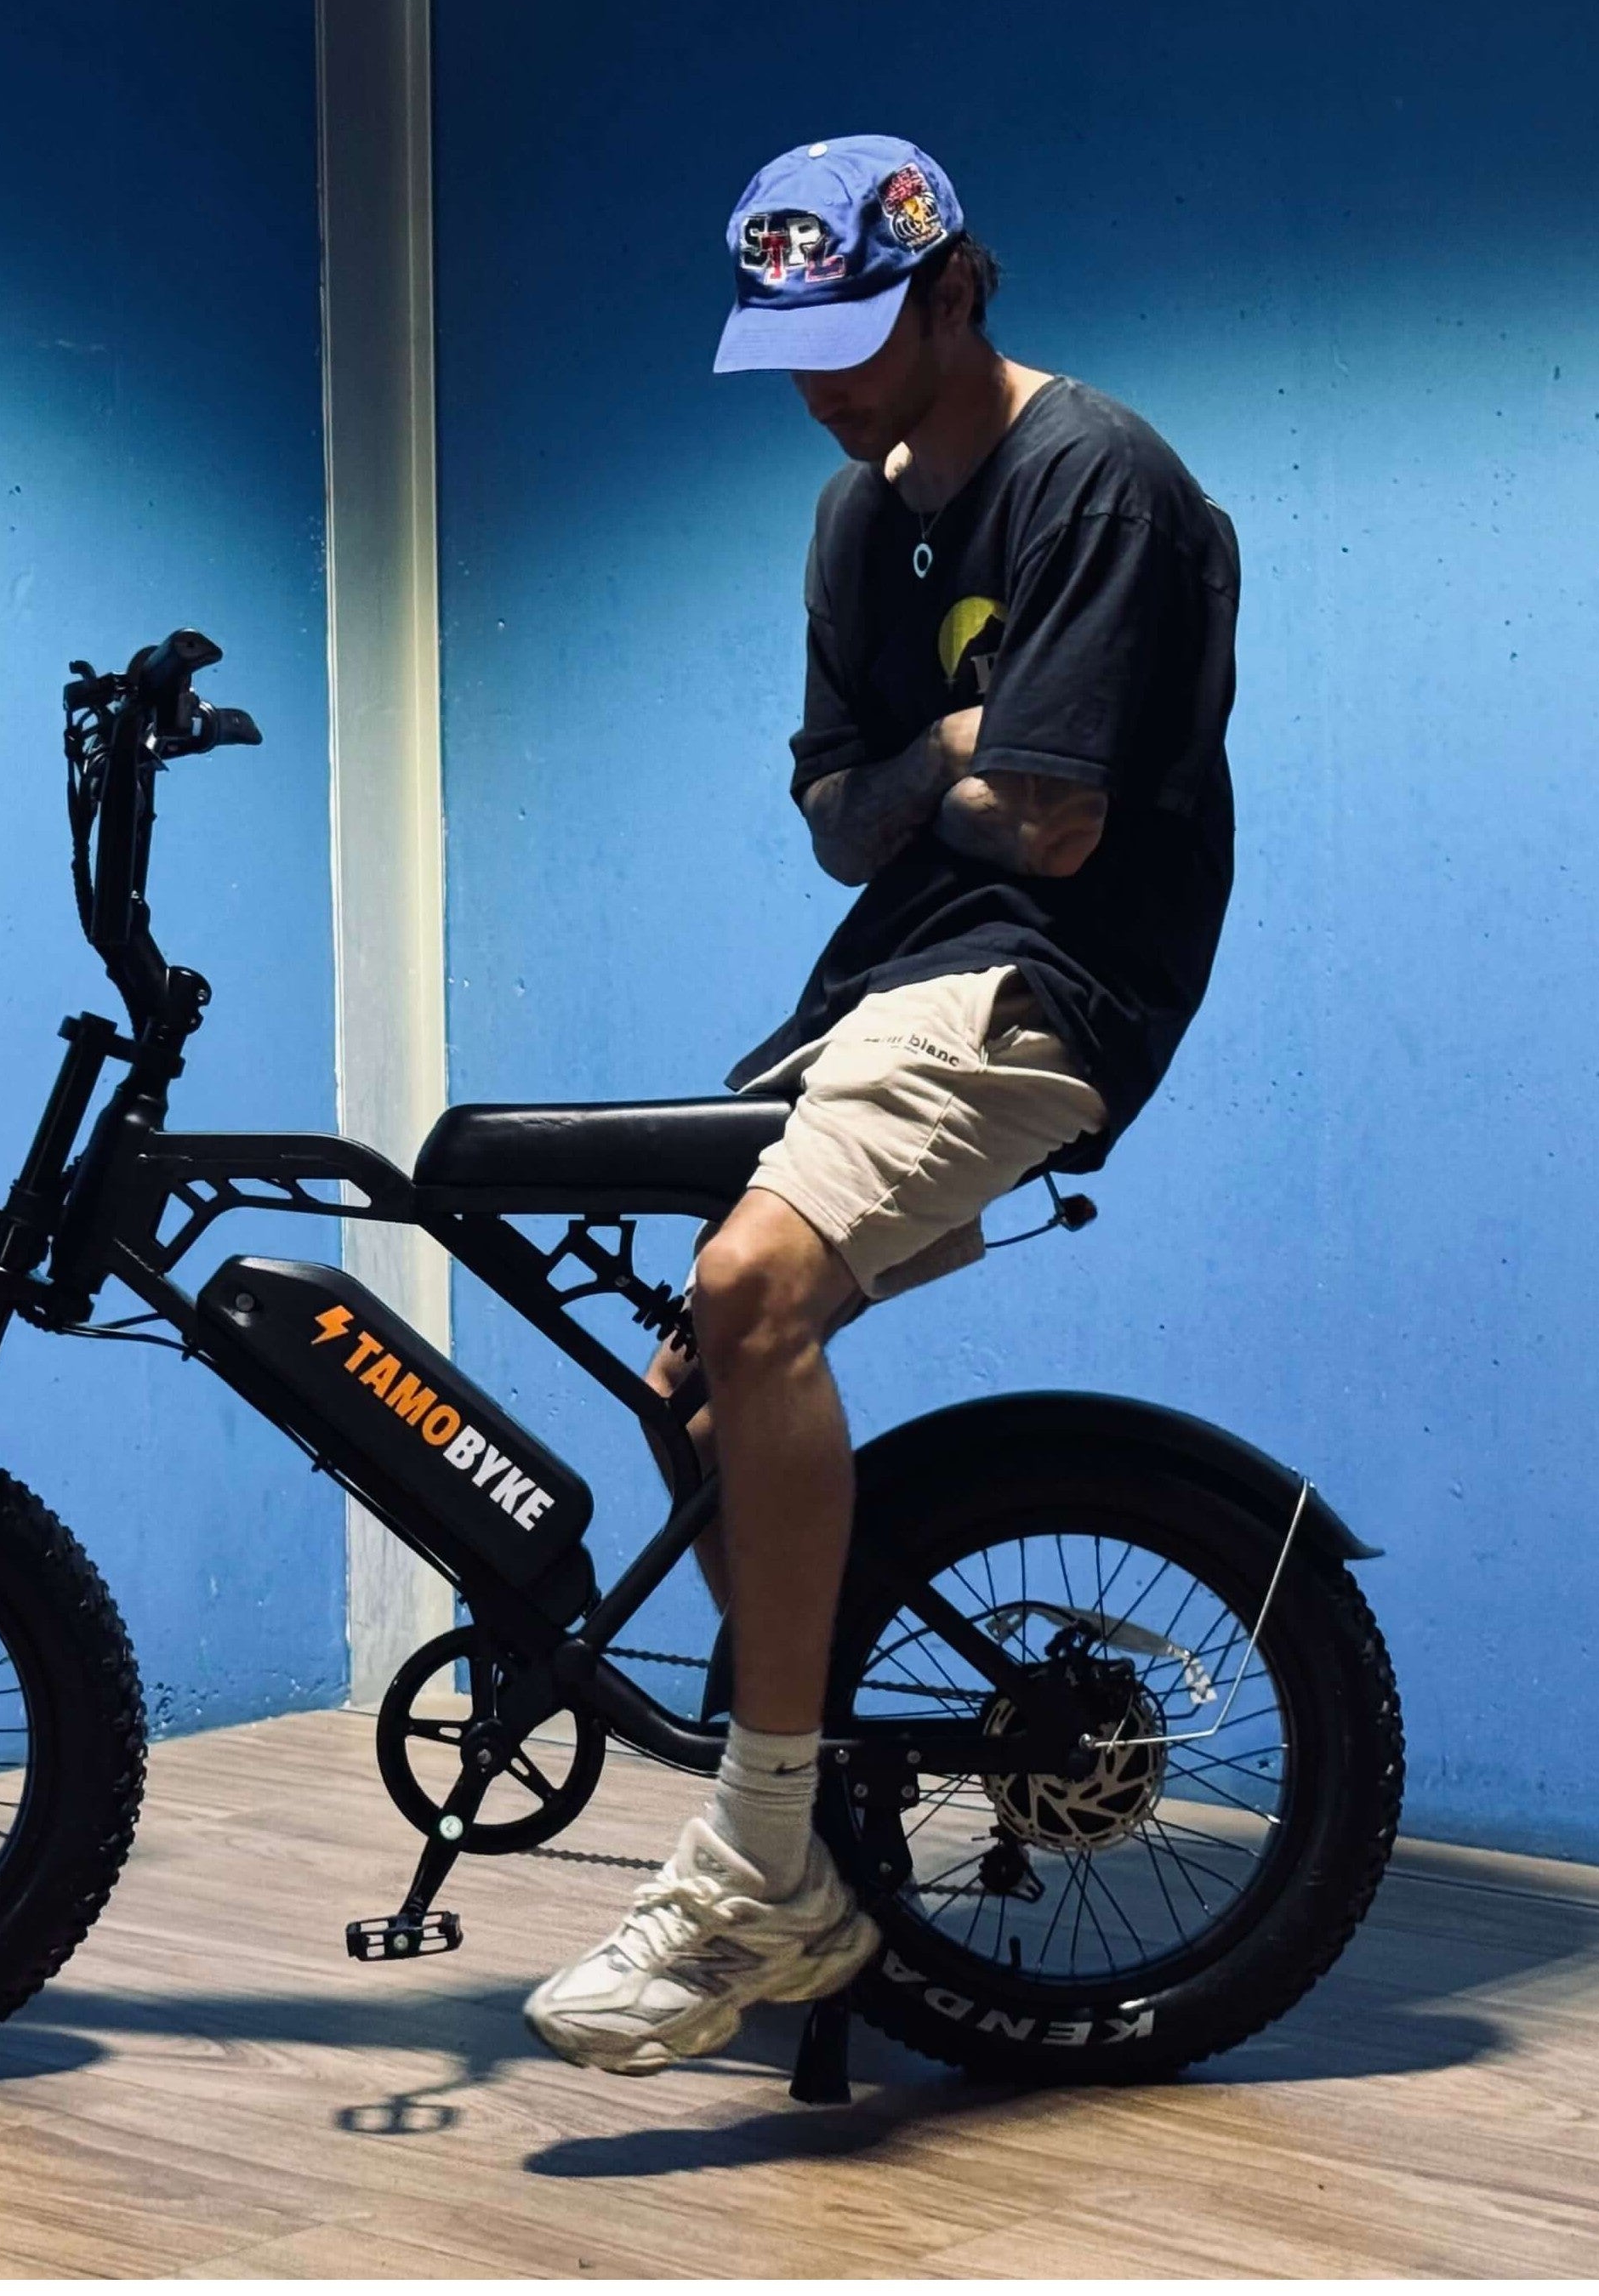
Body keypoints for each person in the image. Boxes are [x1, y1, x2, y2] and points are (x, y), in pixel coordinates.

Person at [524, 134, 1241, 2076]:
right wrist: (951, 747)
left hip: (1050, 981)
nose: (819, 388)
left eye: (849, 337)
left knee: (748, 1288)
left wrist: (936, 787)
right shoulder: (856, 518)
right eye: (787, 349)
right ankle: (823, 1815)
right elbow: (850, 828)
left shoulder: (1098, 481)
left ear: (958, 287)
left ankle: (755, 1859)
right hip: (890, 975)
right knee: (698, 1374)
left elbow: (1061, 829)